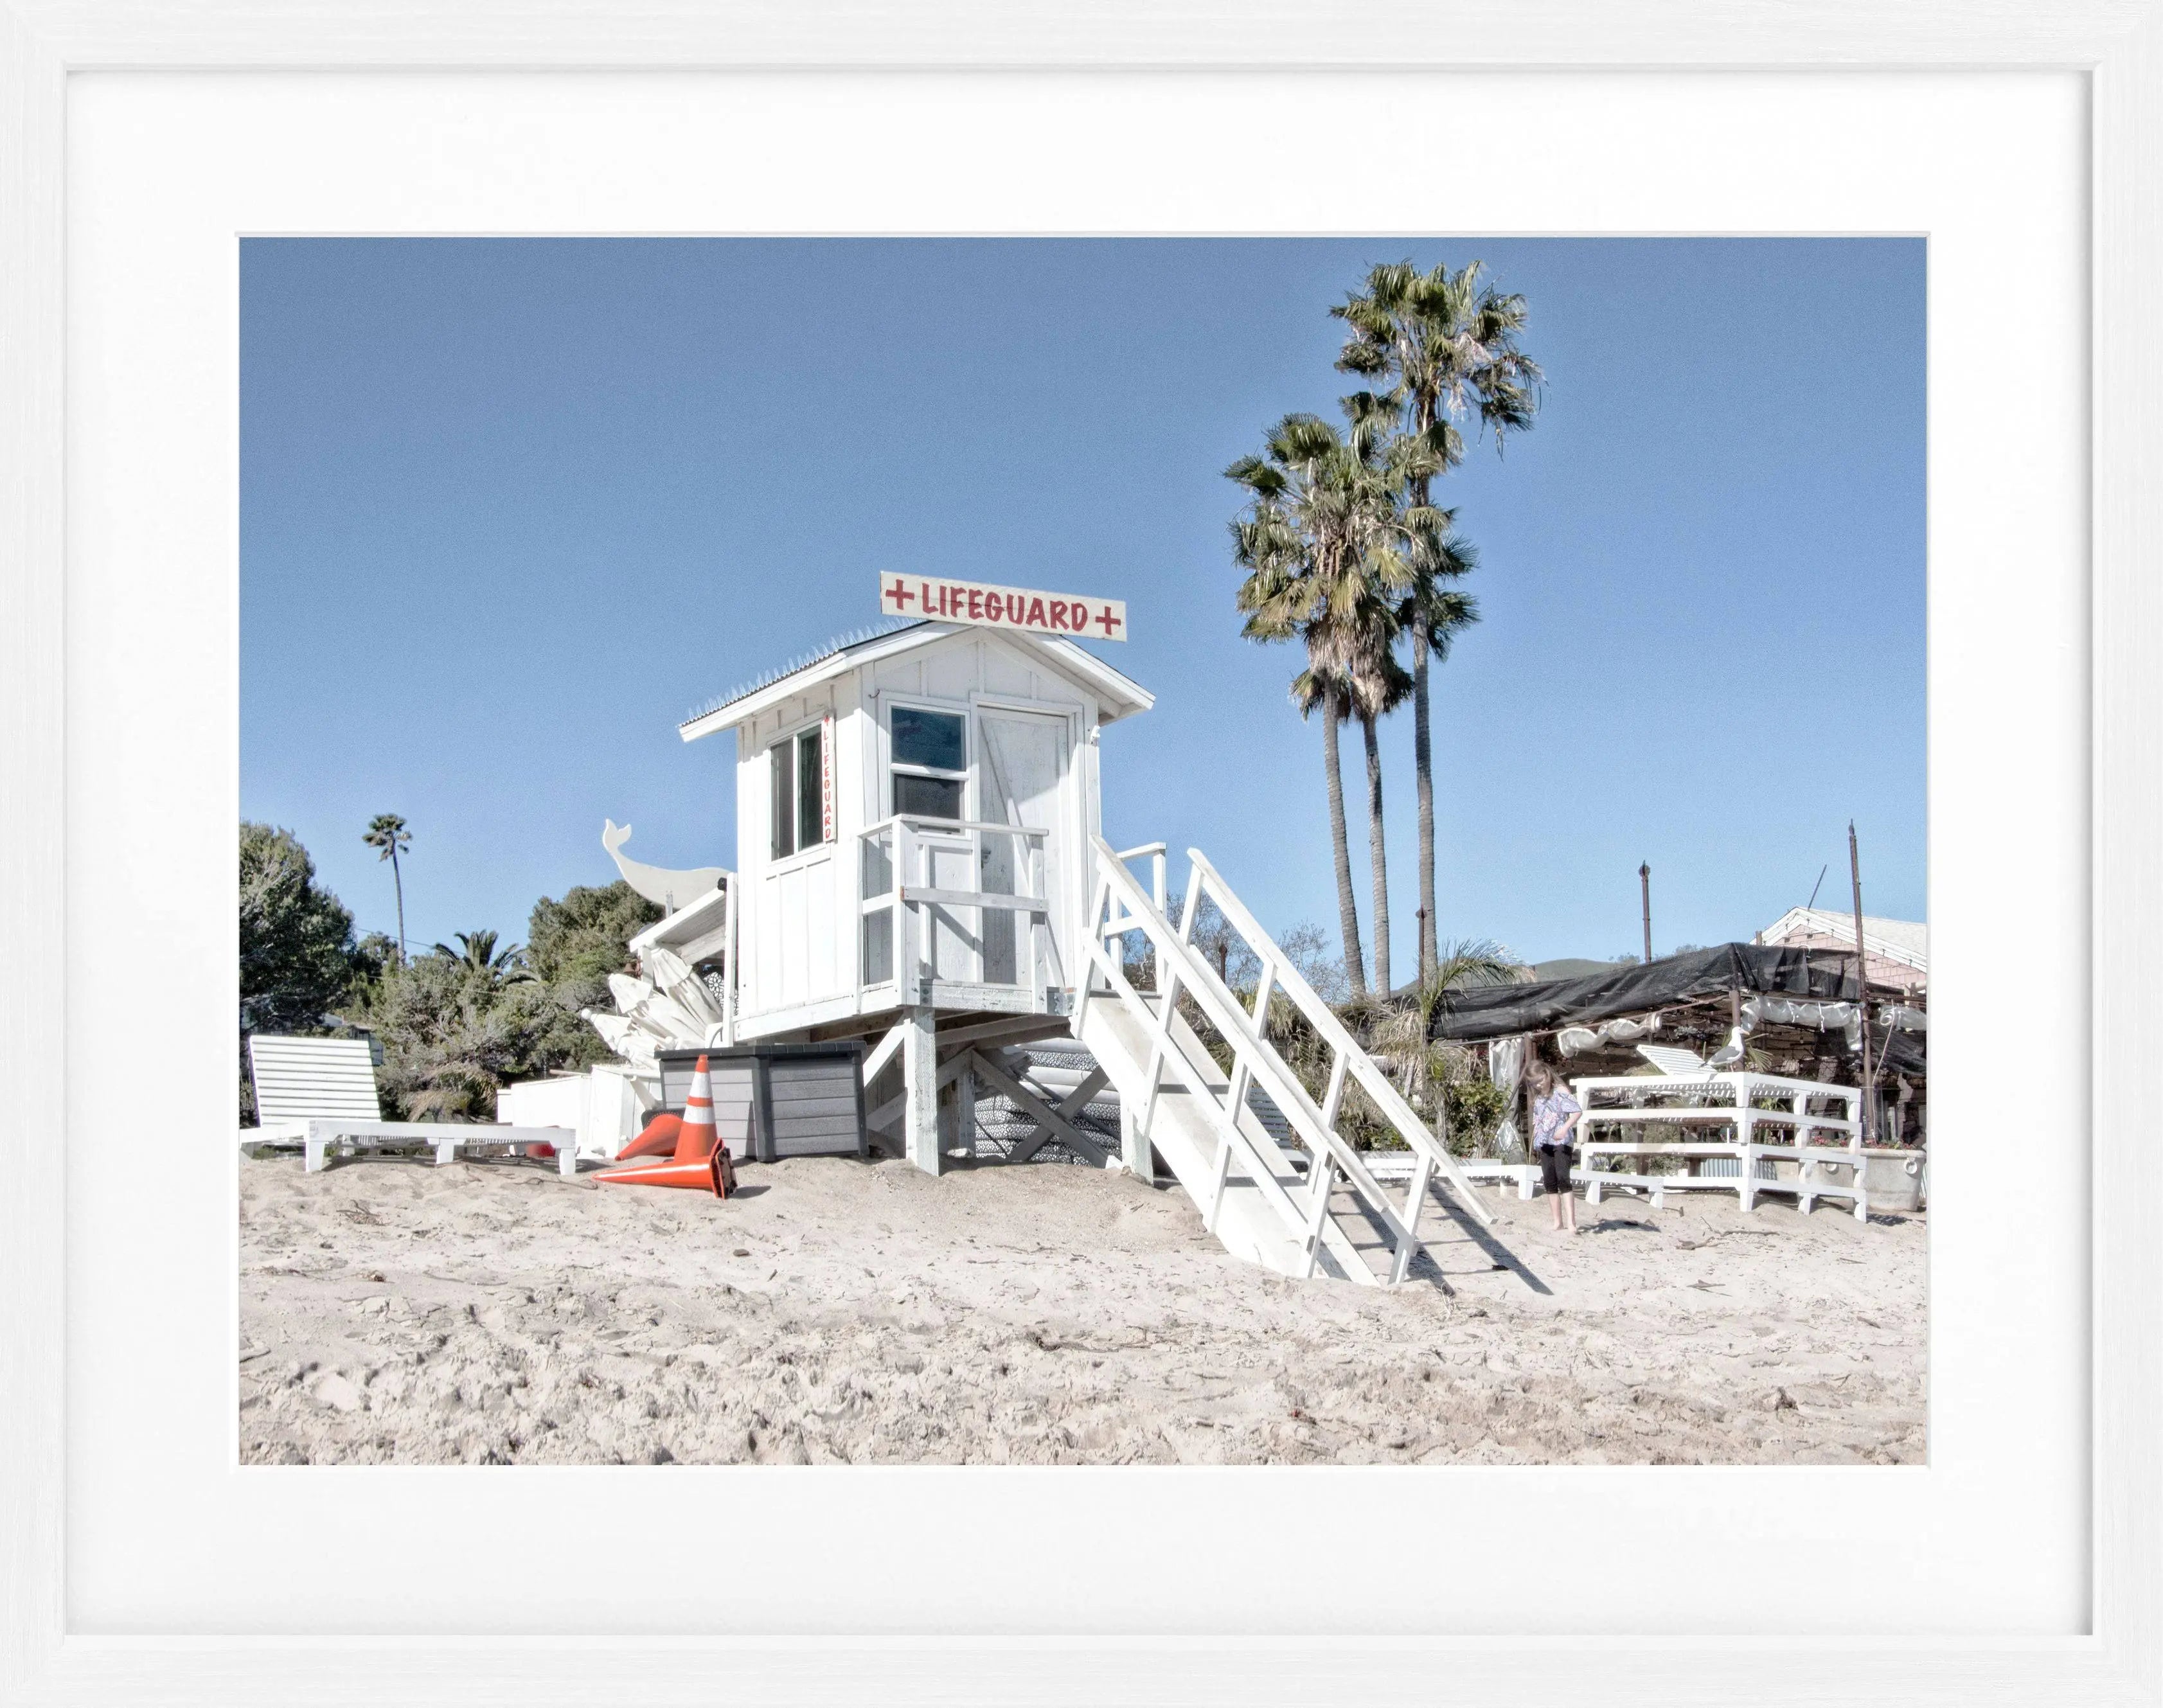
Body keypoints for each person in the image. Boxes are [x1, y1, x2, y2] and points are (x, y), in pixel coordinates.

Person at [1529, 1062, 1581, 1233]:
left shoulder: (1560, 1091)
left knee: (1563, 1179)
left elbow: (1577, 1112)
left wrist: (1564, 1128)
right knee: (1549, 1181)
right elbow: (1537, 1121)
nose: (1539, 1084)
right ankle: (1557, 1222)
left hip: (1562, 1141)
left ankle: (1572, 1223)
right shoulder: (1538, 1098)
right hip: (1545, 1142)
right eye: (1535, 1082)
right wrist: (1536, 1141)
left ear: (1547, 1074)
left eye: (1541, 1080)